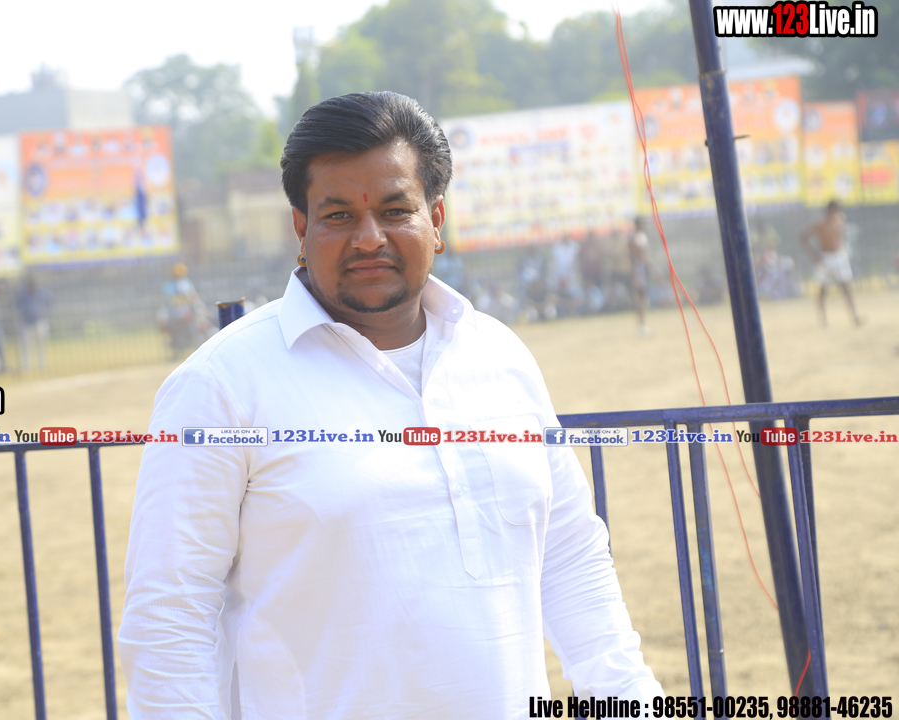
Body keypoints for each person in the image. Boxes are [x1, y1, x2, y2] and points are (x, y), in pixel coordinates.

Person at [119, 92, 663, 719]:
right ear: (301, 228)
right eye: (339, 215)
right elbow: (169, 616)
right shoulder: (220, 385)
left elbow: (570, 557)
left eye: (395, 210)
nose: (369, 238)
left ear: (437, 218)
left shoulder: (499, 356)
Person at [800, 200, 863, 327]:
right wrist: (814, 254)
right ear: (829, 210)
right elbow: (803, 237)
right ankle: (823, 319)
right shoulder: (820, 223)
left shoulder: (840, 220)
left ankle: (854, 316)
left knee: (846, 287)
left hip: (839, 256)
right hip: (825, 258)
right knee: (823, 289)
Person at [159, 263, 206, 360]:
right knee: (174, 334)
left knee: (195, 331)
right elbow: (170, 301)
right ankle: (176, 353)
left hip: (189, 313)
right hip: (174, 315)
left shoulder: (186, 283)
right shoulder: (168, 285)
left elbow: (193, 298)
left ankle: (197, 351)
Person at [14, 276, 52, 371]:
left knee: (40, 344)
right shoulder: (22, 294)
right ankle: (25, 365)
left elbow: (51, 301)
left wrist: (45, 311)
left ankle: (41, 364)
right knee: (26, 344)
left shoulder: (42, 292)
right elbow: (16, 305)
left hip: (39, 321)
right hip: (26, 322)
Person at [629, 217, 651, 337]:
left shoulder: (642, 236)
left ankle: (643, 323)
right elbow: (635, 255)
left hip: (643, 268)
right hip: (638, 269)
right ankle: (641, 325)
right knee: (640, 296)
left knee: (643, 297)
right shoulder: (634, 238)